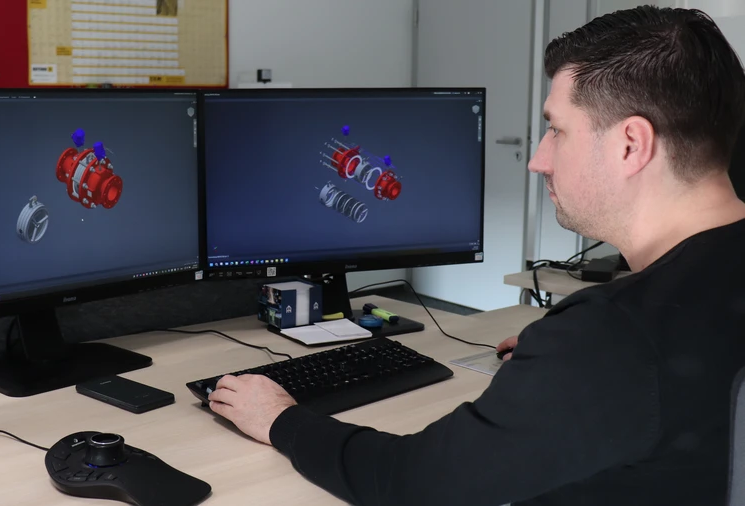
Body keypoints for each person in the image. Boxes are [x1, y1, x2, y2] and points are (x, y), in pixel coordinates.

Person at [207, 6, 745, 505]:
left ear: (631, 144)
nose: (538, 159)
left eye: (557, 129)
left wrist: (280, 418)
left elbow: (411, 483)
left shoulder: (611, 336)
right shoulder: (641, 322)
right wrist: (558, 366)